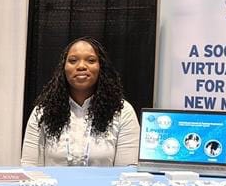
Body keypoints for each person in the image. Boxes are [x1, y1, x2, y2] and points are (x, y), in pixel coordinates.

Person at [20, 37, 140, 167]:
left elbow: (127, 171)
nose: (81, 66)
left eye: (91, 60)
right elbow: (29, 166)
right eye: (73, 61)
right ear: (63, 68)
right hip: (52, 181)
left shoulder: (123, 112)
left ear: (101, 67)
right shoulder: (43, 112)